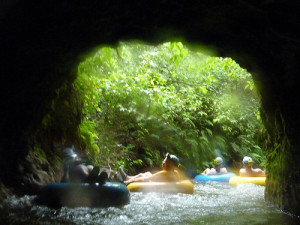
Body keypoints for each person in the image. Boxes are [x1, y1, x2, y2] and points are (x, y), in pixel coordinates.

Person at [119, 153, 187, 185]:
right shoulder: (172, 172)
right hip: (162, 183)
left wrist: (128, 183)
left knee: (144, 177)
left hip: (159, 186)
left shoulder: (166, 173)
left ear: (171, 165)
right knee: (147, 173)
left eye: (165, 161)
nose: (163, 162)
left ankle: (125, 182)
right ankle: (127, 177)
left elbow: (147, 179)